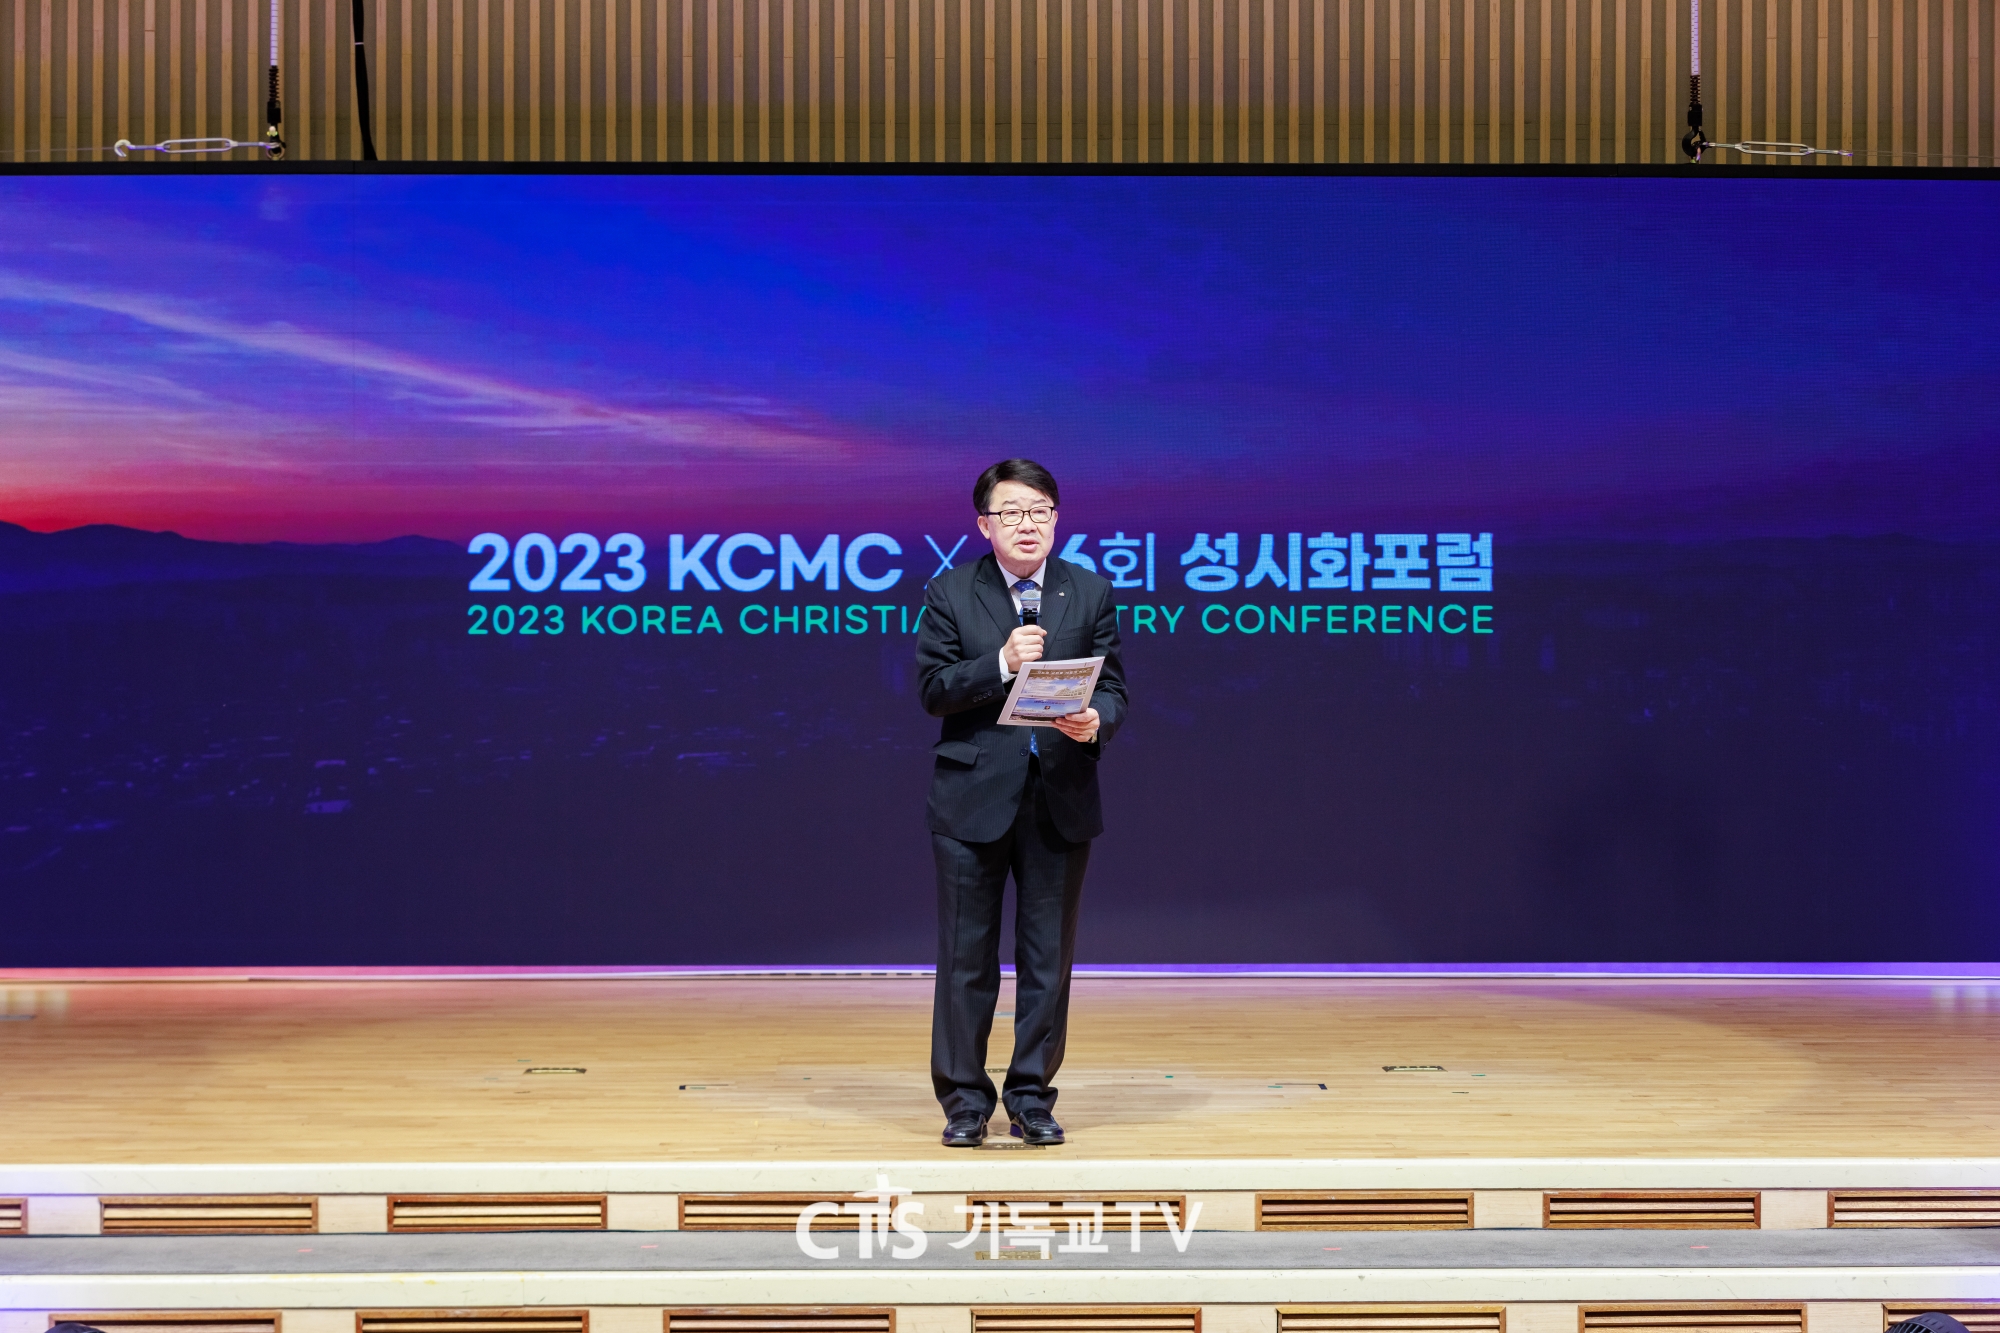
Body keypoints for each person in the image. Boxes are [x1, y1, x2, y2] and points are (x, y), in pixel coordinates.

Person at [916, 459, 1127, 1148]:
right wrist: (1003, 663)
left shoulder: (1088, 591)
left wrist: (1095, 720)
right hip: (972, 797)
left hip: (1058, 795)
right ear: (985, 525)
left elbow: (1114, 687)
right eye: (1011, 512)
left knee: (1046, 961)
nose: (1027, 524)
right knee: (966, 960)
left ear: (1056, 518)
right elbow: (934, 689)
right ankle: (964, 1102)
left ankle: (1032, 1096)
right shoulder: (951, 590)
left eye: (1039, 510)